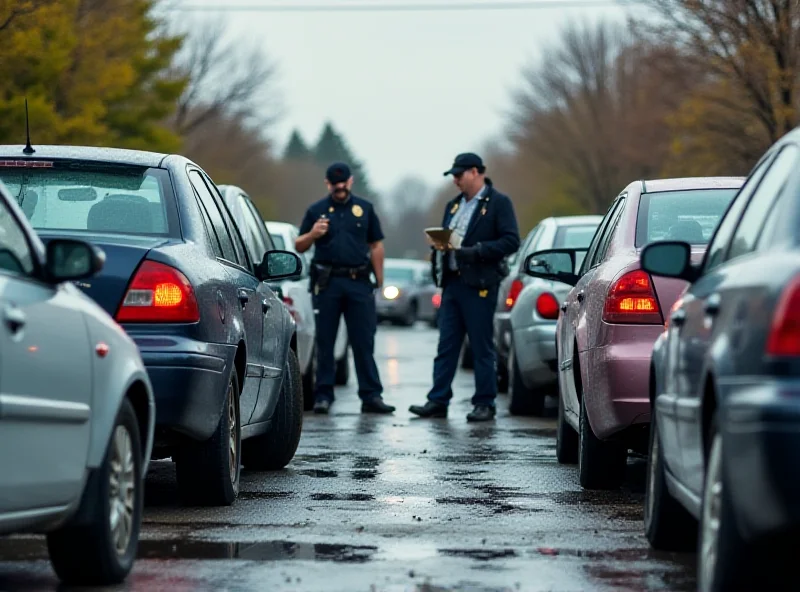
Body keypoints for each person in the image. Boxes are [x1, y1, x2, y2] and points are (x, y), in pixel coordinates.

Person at [409, 153, 520, 422]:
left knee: (481, 346)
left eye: (459, 175)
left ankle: (485, 402)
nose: (456, 180)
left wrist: (477, 251)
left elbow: (511, 241)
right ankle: (438, 400)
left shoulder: (498, 203)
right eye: (453, 176)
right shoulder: (454, 205)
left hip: (480, 284)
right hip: (453, 283)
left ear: (475, 172)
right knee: (446, 345)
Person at [295, 162, 395, 415]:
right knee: (326, 341)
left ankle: (371, 396)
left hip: (359, 282)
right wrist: (313, 234)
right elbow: (299, 245)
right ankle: (323, 396)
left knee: (363, 341)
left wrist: (379, 280)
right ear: (328, 184)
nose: (340, 187)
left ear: (350, 182)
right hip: (328, 283)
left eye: (343, 183)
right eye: (335, 184)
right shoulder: (316, 211)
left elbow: (376, 245)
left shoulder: (365, 209)